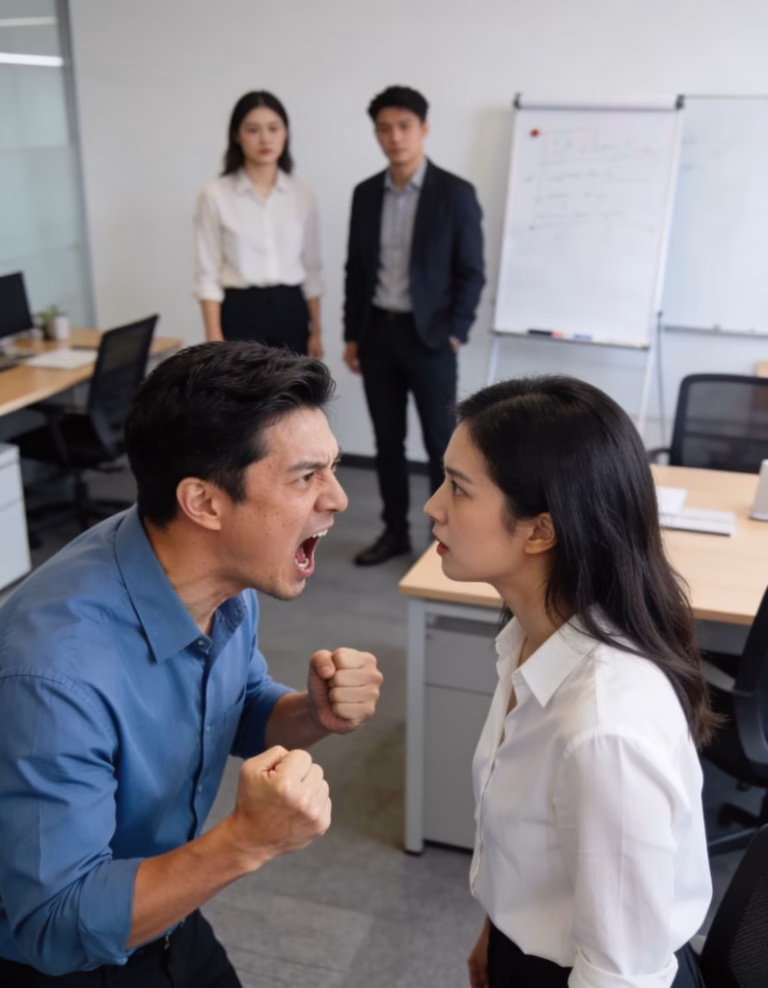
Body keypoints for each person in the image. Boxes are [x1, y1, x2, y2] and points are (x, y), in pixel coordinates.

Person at [0, 342, 382, 986]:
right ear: (203, 503)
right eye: (305, 477)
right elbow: (55, 927)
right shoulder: (53, 675)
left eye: (334, 468)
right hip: (73, 953)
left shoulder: (218, 576)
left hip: (167, 907)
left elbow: (234, 704)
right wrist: (245, 841)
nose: (339, 499)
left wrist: (308, 714)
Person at [424, 376, 714, 988]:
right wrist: (500, 925)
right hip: (531, 950)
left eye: (457, 488)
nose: (433, 507)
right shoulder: (530, 639)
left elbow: (621, 974)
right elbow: (538, 845)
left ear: (540, 530)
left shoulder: (604, 729)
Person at [344, 85, 485, 566]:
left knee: (442, 445)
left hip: (431, 340)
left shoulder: (455, 194)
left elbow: (472, 272)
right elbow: (355, 270)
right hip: (378, 334)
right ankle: (394, 532)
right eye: (384, 128)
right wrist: (352, 334)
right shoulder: (366, 194)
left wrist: (455, 332)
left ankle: (443, 537)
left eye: (404, 126)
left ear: (423, 129)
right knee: (387, 441)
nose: (395, 137)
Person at [195, 91, 324, 357]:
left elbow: (312, 268)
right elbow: (207, 275)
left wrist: (317, 331)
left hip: (291, 310)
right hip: (240, 310)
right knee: (241, 384)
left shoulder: (302, 193)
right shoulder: (215, 194)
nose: (265, 139)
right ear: (236, 135)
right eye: (253, 130)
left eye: (273, 128)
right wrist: (214, 342)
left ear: (285, 133)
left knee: (293, 384)